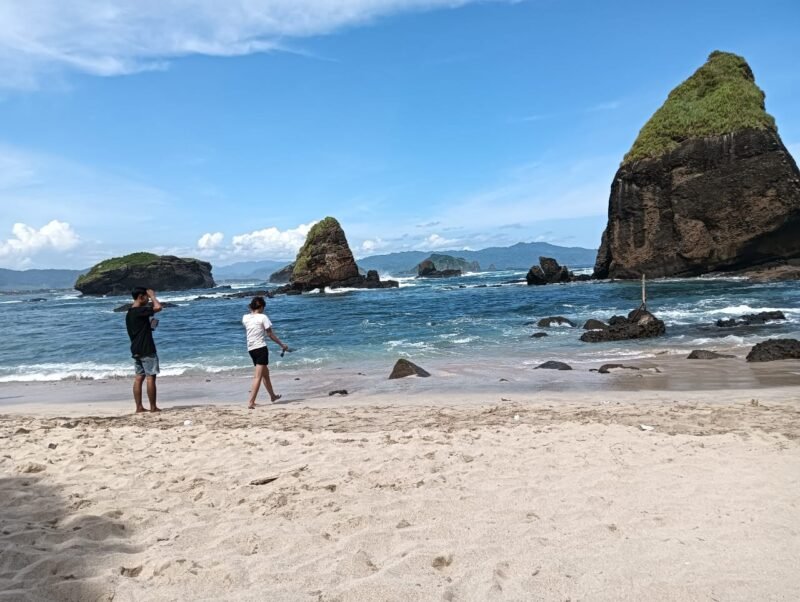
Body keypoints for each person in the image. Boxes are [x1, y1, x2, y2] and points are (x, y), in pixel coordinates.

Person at [243, 296, 288, 408]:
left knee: (265, 375)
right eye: (263, 307)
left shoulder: (245, 318)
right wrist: (282, 345)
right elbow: (270, 334)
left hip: (251, 349)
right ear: (262, 307)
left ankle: (272, 396)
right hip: (261, 349)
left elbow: (252, 323)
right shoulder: (263, 317)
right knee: (257, 377)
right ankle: (251, 402)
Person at [126, 287, 163, 413]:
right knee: (150, 377)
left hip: (135, 348)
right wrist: (153, 296)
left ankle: (139, 407)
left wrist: (149, 326)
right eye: (146, 297)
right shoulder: (140, 310)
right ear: (141, 297)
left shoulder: (130, 313)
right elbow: (158, 307)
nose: (148, 299)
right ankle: (153, 407)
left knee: (139, 377)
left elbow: (138, 329)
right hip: (146, 348)